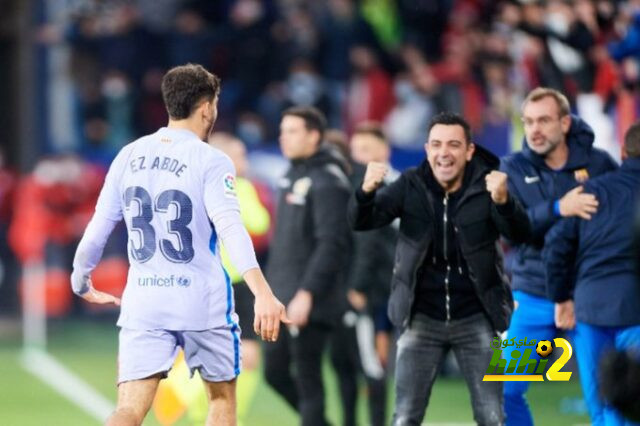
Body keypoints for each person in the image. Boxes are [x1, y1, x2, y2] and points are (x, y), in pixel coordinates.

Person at [70, 63, 288, 426]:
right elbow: (233, 230)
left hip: (145, 302)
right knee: (220, 403)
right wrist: (262, 292)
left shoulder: (128, 155)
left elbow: (98, 228)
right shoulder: (212, 160)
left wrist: (81, 279)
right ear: (207, 107)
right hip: (202, 303)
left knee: (128, 410)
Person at [349, 111, 531, 425]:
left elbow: (520, 234)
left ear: (469, 150)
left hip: (478, 317)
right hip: (420, 316)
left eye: (453, 144)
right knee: (405, 416)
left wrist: (504, 202)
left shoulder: (488, 185)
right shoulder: (410, 184)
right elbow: (361, 221)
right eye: (436, 144)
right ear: (427, 149)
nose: (443, 152)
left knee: (492, 417)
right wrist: (365, 192)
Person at [499, 87, 617, 426]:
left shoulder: (599, 163)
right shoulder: (512, 167)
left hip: (588, 296)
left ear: (565, 123)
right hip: (532, 293)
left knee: (606, 396)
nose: (534, 129)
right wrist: (558, 208)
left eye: (544, 120)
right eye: (529, 121)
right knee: (502, 390)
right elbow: (512, 232)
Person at [543, 121, 640, 426]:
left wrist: (561, 297)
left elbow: (556, 247)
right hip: (636, 309)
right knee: (635, 403)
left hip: (590, 307)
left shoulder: (589, 192)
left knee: (600, 404)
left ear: (623, 152)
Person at [264, 106, 351, 426]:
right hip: (281, 295)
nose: (283, 137)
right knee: (273, 373)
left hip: (309, 299)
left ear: (314, 135)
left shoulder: (329, 180)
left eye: (292, 131)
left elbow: (332, 243)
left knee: (308, 378)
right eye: (282, 130)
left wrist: (307, 293)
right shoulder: (290, 174)